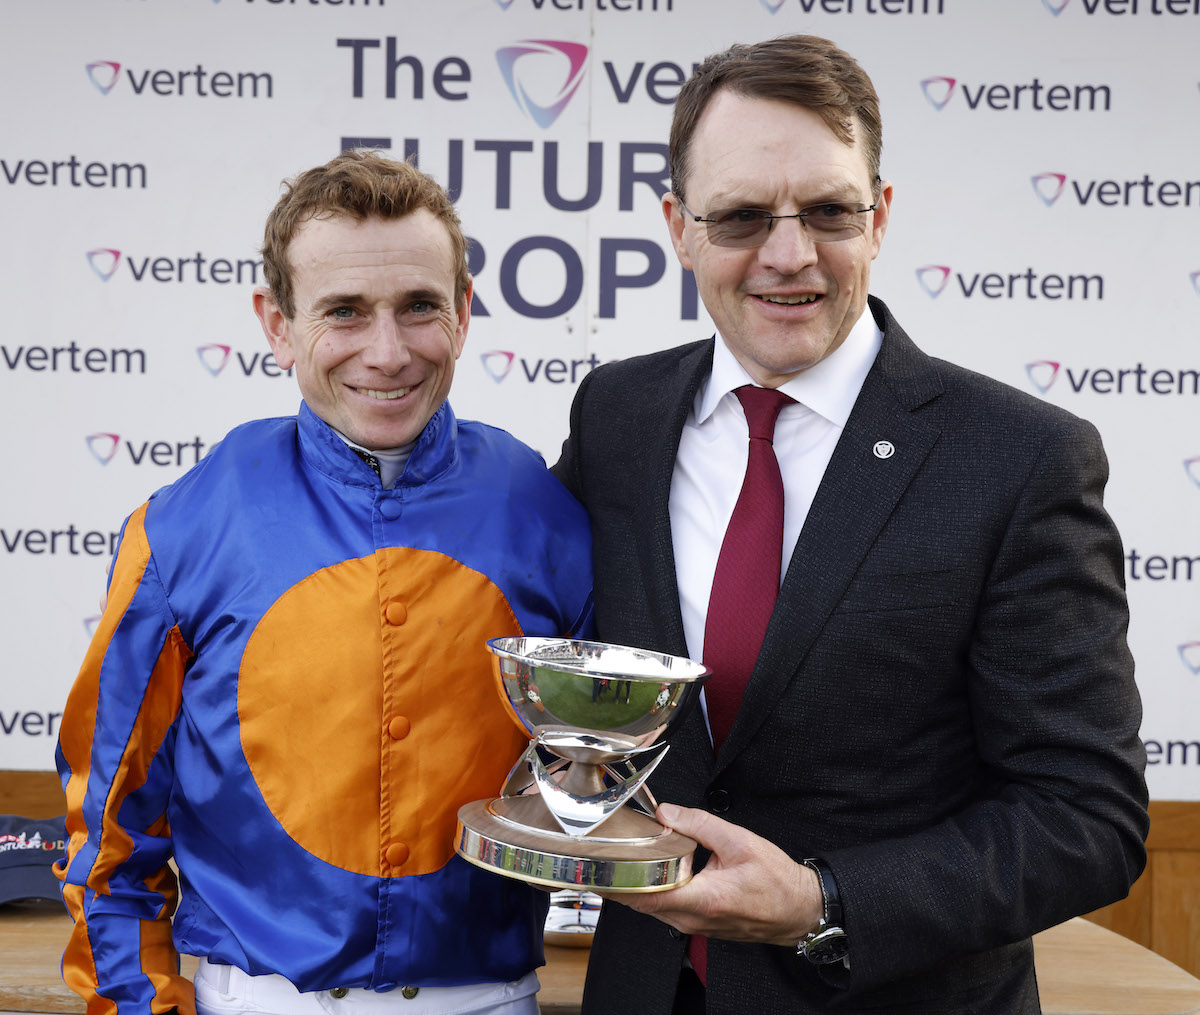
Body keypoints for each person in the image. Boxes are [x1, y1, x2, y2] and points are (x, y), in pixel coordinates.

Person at [552, 35, 1148, 1015]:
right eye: (742, 216)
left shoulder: (1020, 458)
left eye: (828, 211)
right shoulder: (615, 418)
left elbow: (1086, 817)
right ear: (679, 226)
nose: (790, 255)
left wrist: (818, 902)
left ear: (879, 216)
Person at [54, 151, 594, 1015]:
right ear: (277, 323)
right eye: (344, 311)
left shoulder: (545, 506)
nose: (387, 352)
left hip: (490, 999)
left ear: (462, 310)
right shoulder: (185, 522)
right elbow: (111, 833)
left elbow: (604, 772)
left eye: (419, 306)